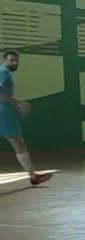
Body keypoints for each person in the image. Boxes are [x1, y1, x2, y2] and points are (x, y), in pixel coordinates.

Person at [0, 51, 53, 186]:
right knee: (19, 144)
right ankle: (33, 177)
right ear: (4, 60)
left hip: (5, 111)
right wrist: (19, 104)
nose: (15, 63)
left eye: (16, 61)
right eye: (11, 60)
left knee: (18, 143)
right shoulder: (4, 72)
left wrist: (17, 104)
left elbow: (4, 94)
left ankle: (33, 176)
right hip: (4, 114)